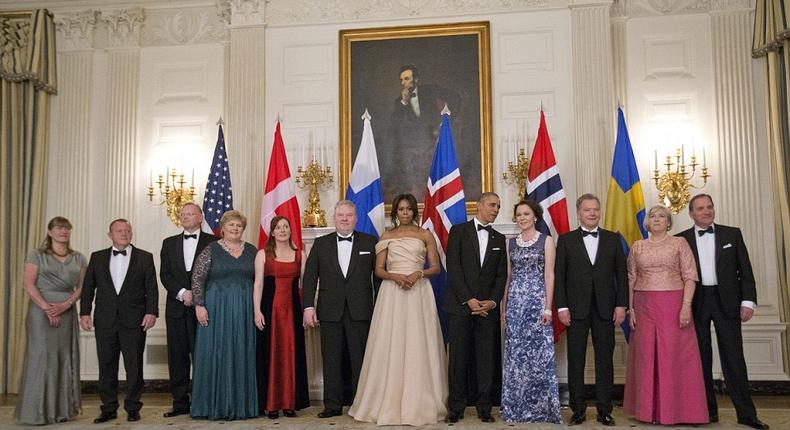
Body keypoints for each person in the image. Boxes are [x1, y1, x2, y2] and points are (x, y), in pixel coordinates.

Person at [349, 194, 447, 425]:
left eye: (409, 209)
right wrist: (396, 277)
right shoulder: (386, 236)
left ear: (414, 212)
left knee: (417, 342)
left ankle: (421, 401)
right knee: (389, 342)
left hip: (418, 291)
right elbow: (379, 270)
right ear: (395, 213)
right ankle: (384, 400)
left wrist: (417, 273)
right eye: (401, 209)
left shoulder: (425, 235)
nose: (405, 212)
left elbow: (435, 267)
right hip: (392, 292)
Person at [677, 194, 769, 429]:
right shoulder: (680, 240)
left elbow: (745, 270)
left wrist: (748, 301)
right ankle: (707, 411)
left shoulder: (732, 234)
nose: (707, 211)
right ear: (691, 214)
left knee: (734, 358)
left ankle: (746, 414)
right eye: (700, 208)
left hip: (727, 300)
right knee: (700, 359)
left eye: (709, 207)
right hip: (696, 301)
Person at [623, 204, 708, 425]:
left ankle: (680, 412)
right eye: (653, 216)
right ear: (647, 222)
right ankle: (648, 411)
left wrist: (686, 305)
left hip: (673, 305)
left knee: (673, 357)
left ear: (668, 222)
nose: (657, 219)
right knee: (646, 357)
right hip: (644, 306)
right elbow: (630, 279)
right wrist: (631, 309)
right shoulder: (637, 246)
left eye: (662, 216)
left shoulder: (680, 243)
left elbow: (690, 276)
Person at [554, 194, 627, 426]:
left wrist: (621, 305)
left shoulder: (613, 239)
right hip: (575, 310)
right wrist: (562, 307)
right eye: (587, 210)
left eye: (596, 209)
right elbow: (560, 277)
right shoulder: (565, 240)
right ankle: (578, 410)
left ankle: (605, 410)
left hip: (606, 309)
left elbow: (622, 276)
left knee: (605, 360)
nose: (593, 213)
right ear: (579, 213)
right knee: (576, 360)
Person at [302, 200, 377, 418]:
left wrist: (380, 306)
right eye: (341, 215)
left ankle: (360, 404)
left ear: (356, 218)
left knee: (360, 359)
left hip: (361, 310)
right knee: (331, 359)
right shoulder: (321, 243)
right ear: (334, 218)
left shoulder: (370, 242)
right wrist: (308, 306)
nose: (345, 219)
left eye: (349, 215)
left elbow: (378, 278)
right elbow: (309, 278)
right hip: (329, 310)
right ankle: (332, 406)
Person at [80, 219, 158, 423]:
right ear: (110, 235)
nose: (124, 233)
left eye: (127, 230)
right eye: (119, 230)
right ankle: (108, 408)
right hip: (105, 320)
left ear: (131, 234)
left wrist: (152, 313)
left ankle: (133, 407)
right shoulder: (97, 257)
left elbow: (152, 288)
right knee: (106, 366)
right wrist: (85, 313)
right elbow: (88, 287)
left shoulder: (144, 257)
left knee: (134, 366)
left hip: (135, 321)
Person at [15, 217, 86, 425]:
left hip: (66, 311)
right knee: (41, 358)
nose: (63, 231)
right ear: (50, 231)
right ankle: (37, 412)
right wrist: (47, 308)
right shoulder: (36, 255)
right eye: (59, 228)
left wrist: (65, 305)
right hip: (40, 313)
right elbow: (28, 284)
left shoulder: (79, 258)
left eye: (67, 228)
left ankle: (61, 411)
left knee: (64, 358)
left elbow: (81, 287)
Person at [444, 192, 508, 424]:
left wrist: (492, 301)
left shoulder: (499, 239)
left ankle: (484, 408)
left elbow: (501, 276)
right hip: (460, 307)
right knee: (458, 360)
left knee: (485, 360)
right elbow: (454, 268)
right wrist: (468, 300)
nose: (496, 209)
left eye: (498, 206)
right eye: (492, 204)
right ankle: (457, 408)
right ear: (479, 205)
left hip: (487, 309)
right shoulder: (458, 232)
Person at [190, 210, 258, 420]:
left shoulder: (253, 251)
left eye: (239, 225)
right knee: (215, 353)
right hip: (216, 309)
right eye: (231, 225)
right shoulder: (210, 250)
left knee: (241, 352)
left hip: (245, 310)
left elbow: (260, 281)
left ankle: (242, 406)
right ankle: (211, 406)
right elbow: (197, 279)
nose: (235, 229)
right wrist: (199, 306)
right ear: (223, 228)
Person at [500, 200, 561, 423]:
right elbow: (508, 276)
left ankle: (543, 409)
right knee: (516, 357)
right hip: (516, 303)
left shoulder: (546, 241)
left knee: (539, 357)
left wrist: (548, 307)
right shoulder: (510, 243)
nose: (522, 218)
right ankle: (515, 408)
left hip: (538, 303)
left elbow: (549, 275)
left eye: (526, 214)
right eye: (519, 215)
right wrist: (504, 308)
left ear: (535, 216)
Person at [159, 203, 217, 417]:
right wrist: (183, 293)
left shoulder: (213, 242)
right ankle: (180, 403)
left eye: (191, 213)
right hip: (176, 308)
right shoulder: (168, 243)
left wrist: (197, 295)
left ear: (201, 217)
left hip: (205, 308)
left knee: (204, 356)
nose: (186, 217)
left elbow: (215, 274)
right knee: (177, 357)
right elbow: (165, 274)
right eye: (183, 214)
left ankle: (204, 401)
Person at [253, 216, 310, 419]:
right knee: (271, 355)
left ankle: (289, 403)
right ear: (272, 231)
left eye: (286, 226)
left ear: (290, 230)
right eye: (279, 227)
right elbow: (258, 284)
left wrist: (307, 310)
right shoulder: (262, 254)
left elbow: (306, 285)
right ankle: (272, 404)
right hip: (269, 312)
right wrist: (256, 311)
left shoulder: (300, 255)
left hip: (293, 311)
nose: (283, 230)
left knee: (291, 355)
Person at [386, 64, 462, 198]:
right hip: (413, 150)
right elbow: (394, 124)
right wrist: (404, 102)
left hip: (435, 142)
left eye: (407, 78)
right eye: (402, 80)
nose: (404, 83)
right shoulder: (399, 101)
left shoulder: (430, 90)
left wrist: (446, 121)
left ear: (416, 80)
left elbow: (456, 97)